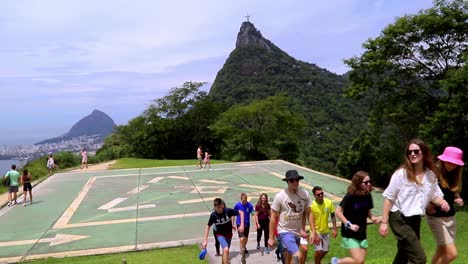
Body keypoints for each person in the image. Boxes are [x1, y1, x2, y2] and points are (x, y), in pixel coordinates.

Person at [379, 139, 449, 264]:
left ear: (424, 153)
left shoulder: (430, 175)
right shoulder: (400, 174)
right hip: (399, 217)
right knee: (419, 259)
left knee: (404, 253)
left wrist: (443, 203)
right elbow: (389, 198)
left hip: (415, 219)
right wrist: (384, 222)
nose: (412, 154)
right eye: (409, 152)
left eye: (416, 151)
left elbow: (434, 196)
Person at [268, 169, 317, 264]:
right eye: (291, 180)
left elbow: (309, 213)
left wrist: (313, 231)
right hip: (284, 231)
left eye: (297, 180)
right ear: (287, 182)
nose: (295, 182)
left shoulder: (305, 194)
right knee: (297, 256)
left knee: (288, 259)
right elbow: (273, 217)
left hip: (297, 232)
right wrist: (271, 237)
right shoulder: (280, 196)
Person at [331, 171, 379, 264]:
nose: (368, 184)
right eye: (365, 183)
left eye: (369, 181)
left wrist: (373, 218)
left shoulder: (368, 195)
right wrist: (349, 224)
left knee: (361, 262)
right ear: (358, 183)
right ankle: (337, 262)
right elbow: (338, 211)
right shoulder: (350, 196)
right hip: (350, 232)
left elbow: (368, 212)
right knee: (358, 260)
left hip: (362, 231)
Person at [426, 146, 464, 264]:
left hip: (451, 218)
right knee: (452, 254)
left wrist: (458, 199)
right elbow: (422, 191)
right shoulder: (433, 173)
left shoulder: (454, 175)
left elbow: (454, 192)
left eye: (455, 164)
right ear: (442, 160)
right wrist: (426, 205)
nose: (452, 166)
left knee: (441, 251)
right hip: (436, 218)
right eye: (449, 162)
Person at [202, 197, 244, 264]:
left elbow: (241, 212)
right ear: (214, 207)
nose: (218, 209)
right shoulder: (213, 215)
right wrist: (205, 241)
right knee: (226, 249)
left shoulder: (228, 211)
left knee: (226, 251)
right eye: (216, 208)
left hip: (229, 234)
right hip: (220, 234)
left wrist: (241, 225)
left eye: (220, 207)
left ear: (222, 205)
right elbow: (208, 227)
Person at [311, 186, 337, 264]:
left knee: (325, 251)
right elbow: (310, 220)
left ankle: (317, 262)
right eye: (318, 194)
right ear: (314, 195)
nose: (321, 195)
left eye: (322, 193)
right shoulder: (312, 205)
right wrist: (314, 233)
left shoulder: (329, 203)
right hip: (316, 231)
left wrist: (335, 229)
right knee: (318, 251)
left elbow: (333, 215)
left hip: (325, 231)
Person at [234, 193, 254, 263]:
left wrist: (256, 223)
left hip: (247, 224)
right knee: (241, 239)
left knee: (245, 238)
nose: (244, 201)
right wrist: (233, 224)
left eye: (245, 199)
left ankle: (244, 247)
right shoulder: (237, 205)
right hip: (239, 224)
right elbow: (233, 214)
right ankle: (242, 252)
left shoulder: (249, 205)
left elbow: (253, 213)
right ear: (241, 199)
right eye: (243, 200)